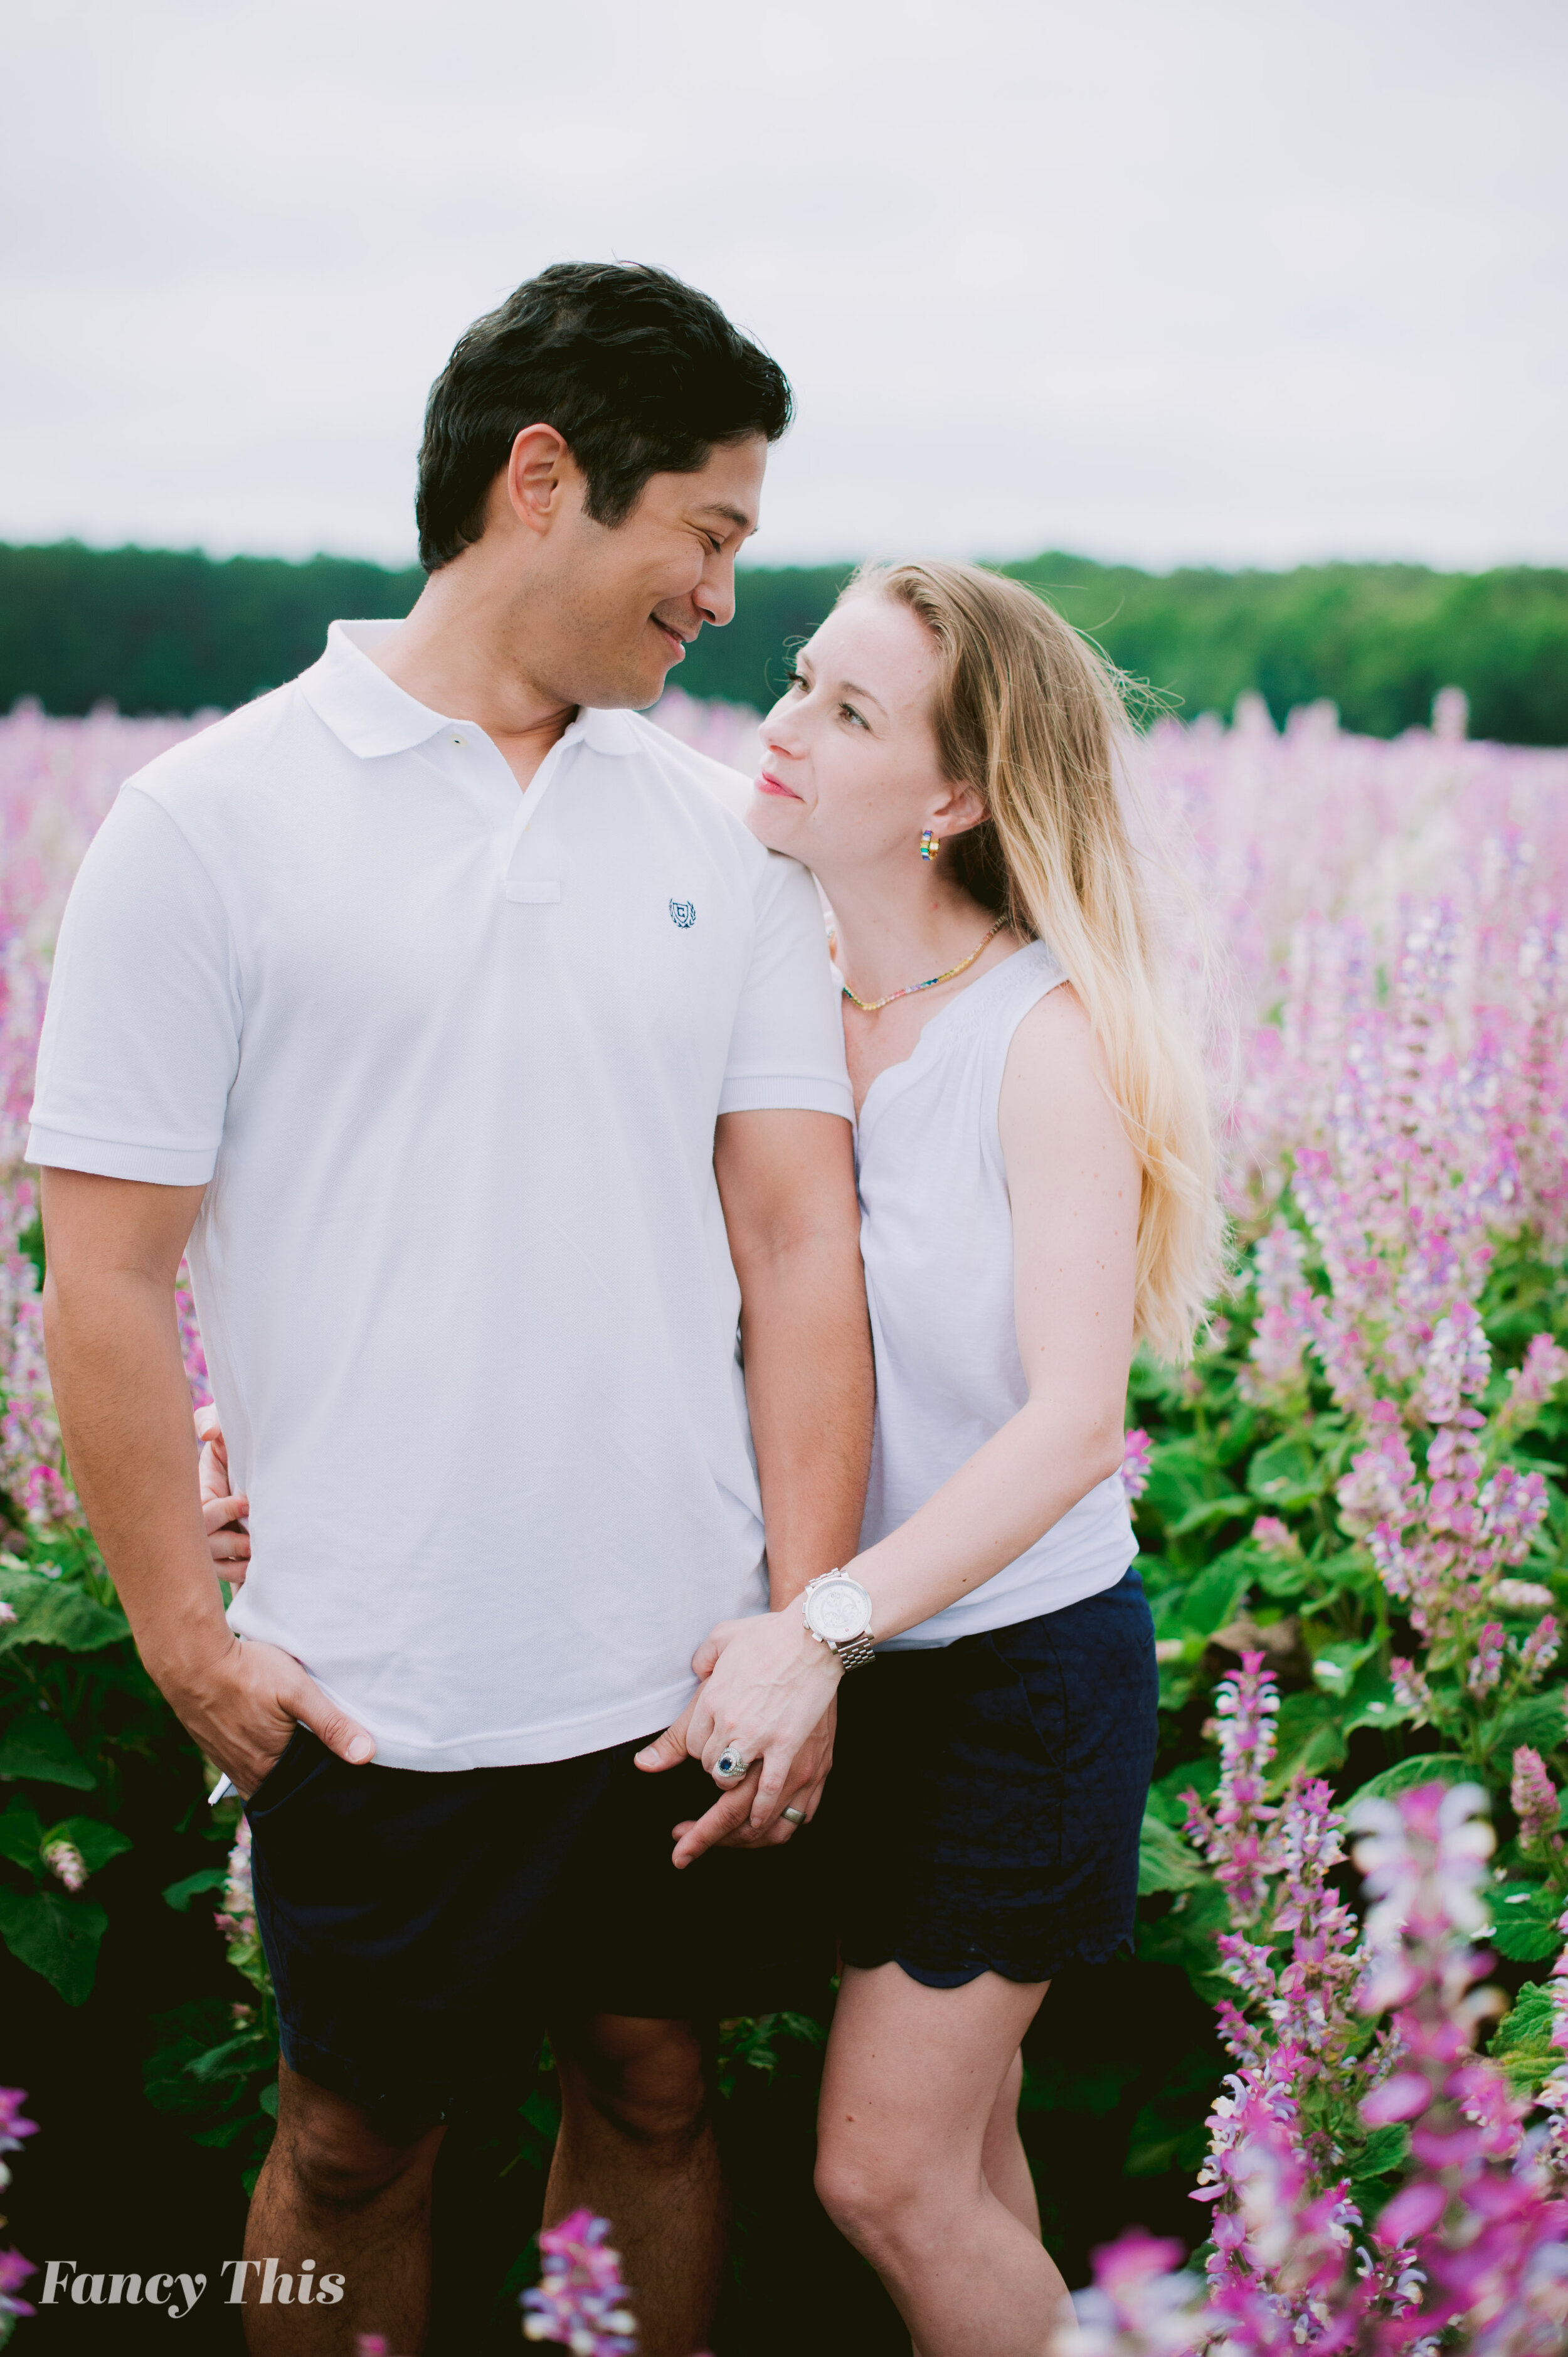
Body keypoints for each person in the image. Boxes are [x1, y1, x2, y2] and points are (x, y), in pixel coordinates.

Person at [29, 262, 874, 2357]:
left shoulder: (720, 840)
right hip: (373, 1662)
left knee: (659, 2091)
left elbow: (798, 1247)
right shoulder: (206, 825)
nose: (721, 598)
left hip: (674, 1651)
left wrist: (806, 1624)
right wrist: (177, 1634)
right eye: (710, 530)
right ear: (543, 479)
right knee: (348, 2144)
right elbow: (107, 1273)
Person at [637, 560, 1221, 2356]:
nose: (783, 724)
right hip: (867, 1655)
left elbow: (1069, 1419)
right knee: (961, 2161)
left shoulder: (1036, 1044)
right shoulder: (780, 990)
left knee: (878, 2179)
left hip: (1013, 1682)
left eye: (848, 710)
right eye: (799, 679)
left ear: (956, 796)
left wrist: (819, 1624)